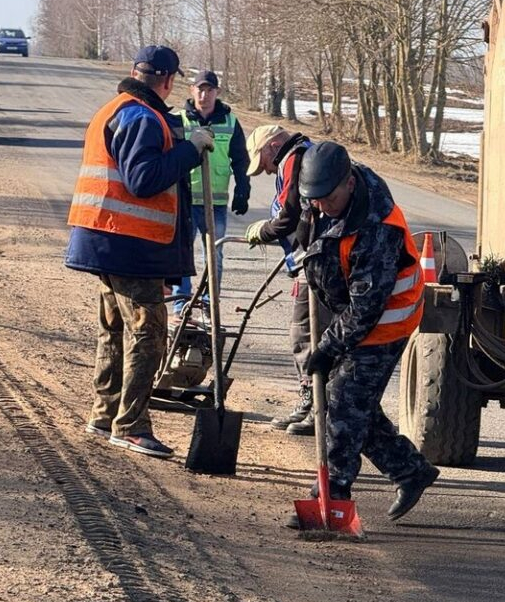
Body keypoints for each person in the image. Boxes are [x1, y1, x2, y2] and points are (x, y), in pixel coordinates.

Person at [65, 45, 216, 459]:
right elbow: (144, 179)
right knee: (148, 332)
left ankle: (105, 413)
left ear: (135, 72)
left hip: (106, 241)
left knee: (114, 330)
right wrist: (190, 151)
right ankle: (130, 425)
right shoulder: (142, 117)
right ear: (167, 81)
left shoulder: (116, 108)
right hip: (130, 246)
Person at [286, 141, 439, 527]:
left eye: (327, 199)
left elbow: (365, 310)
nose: (320, 206)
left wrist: (326, 347)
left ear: (349, 184)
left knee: (341, 400)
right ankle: (409, 470)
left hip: (386, 320)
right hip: (350, 314)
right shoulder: (320, 193)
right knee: (356, 407)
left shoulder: (377, 228)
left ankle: (332, 492)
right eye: (313, 199)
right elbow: (304, 223)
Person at [244, 124, 325, 436]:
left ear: (271, 146)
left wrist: (264, 231)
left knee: (306, 335)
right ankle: (312, 404)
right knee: (307, 334)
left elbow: (290, 215)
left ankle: (316, 407)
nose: (264, 169)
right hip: (309, 262)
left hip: (315, 263)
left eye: (262, 161)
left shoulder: (295, 158)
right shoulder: (299, 156)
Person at [170, 70, 251, 320]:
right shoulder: (178, 119)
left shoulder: (230, 121)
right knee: (182, 251)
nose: (204, 95)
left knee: (213, 254)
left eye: (210, 90)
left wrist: (242, 188)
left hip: (214, 203)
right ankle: (181, 300)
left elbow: (240, 159)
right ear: (192, 90)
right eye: (200, 89)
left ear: (217, 92)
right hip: (185, 200)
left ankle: (208, 301)